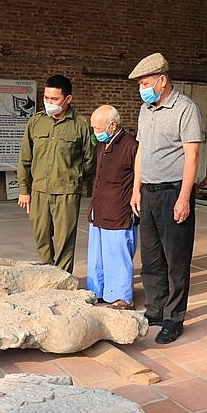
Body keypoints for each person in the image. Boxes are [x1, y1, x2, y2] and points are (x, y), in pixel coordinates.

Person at [128, 53, 203, 344]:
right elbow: (141, 152)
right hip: (148, 192)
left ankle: (174, 317)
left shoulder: (186, 109)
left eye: (145, 83)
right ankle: (156, 309)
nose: (141, 89)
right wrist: (136, 188)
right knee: (151, 258)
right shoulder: (145, 109)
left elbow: (192, 156)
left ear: (162, 80)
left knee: (176, 259)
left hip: (173, 191)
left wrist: (184, 197)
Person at [17, 74, 95, 274]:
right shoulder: (36, 122)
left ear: (68, 99)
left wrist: (74, 178)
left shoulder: (81, 125)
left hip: (67, 192)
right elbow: (25, 158)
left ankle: (62, 280)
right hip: (39, 191)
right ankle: (47, 272)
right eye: (46, 98)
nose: (48, 103)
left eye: (54, 99)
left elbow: (89, 160)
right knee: (41, 236)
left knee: (64, 240)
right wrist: (24, 190)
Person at [86, 105, 138, 310]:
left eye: (98, 128)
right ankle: (97, 291)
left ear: (113, 125)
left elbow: (139, 179)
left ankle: (122, 297)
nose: (95, 133)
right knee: (97, 256)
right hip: (99, 208)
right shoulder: (102, 145)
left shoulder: (130, 146)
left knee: (117, 254)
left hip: (119, 210)